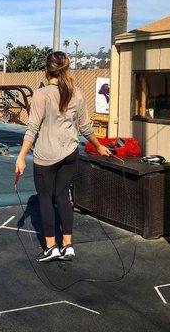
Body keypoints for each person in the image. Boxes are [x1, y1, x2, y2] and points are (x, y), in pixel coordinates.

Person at [15, 51, 111, 262]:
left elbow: (32, 128)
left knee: (45, 199)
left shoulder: (41, 94)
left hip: (46, 156)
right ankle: (67, 244)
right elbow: (84, 127)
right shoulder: (76, 92)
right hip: (69, 153)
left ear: (46, 69)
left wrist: (21, 156)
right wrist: (99, 145)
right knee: (62, 197)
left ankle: (51, 247)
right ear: (65, 69)